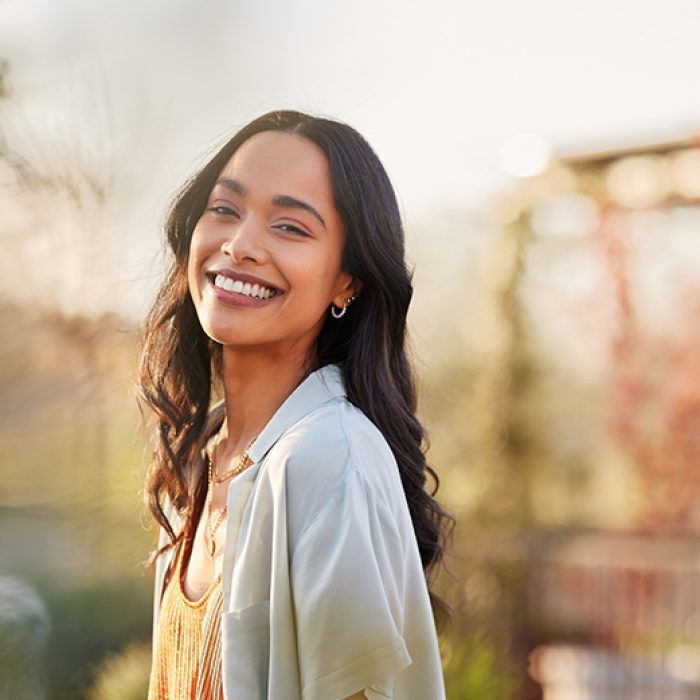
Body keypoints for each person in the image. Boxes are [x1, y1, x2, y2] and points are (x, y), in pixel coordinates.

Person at [139, 109, 453, 700]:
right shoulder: (202, 459)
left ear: (347, 282)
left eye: (290, 227)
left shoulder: (328, 456)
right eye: (225, 209)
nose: (240, 245)